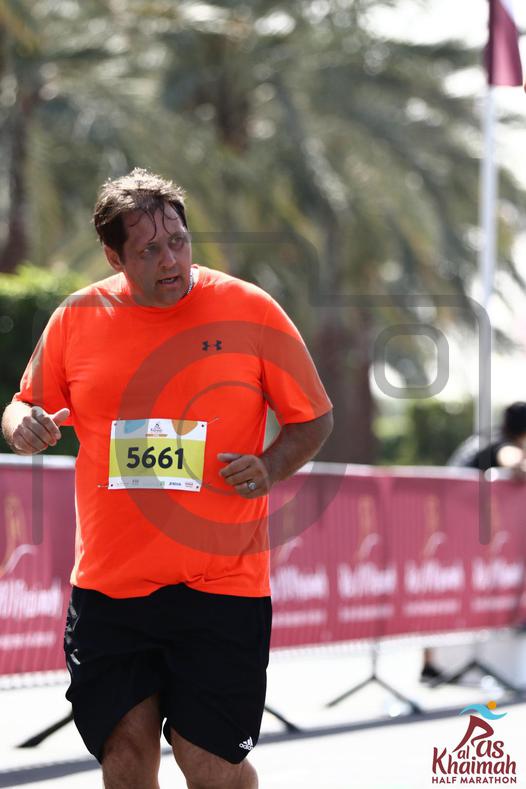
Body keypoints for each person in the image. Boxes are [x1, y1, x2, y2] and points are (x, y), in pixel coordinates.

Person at [1, 168, 333, 789]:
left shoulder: (249, 309)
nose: (170, 260)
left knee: (207, 763)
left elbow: (312, 417)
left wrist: (270, 466)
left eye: (178, 241)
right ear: (114, 257)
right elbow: (24, 403)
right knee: (125, 758)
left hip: (221, 585)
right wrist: (21, 424)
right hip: (111, 586)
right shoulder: (77, 317)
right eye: (149, 249)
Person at [420, 401, 526, 684]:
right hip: (458, 529)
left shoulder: (483, 439)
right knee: (445, 592)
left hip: (447, 525)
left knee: (442, 592)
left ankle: (430, 663)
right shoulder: (502, 445)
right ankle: (433, 664)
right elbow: (515, 464)